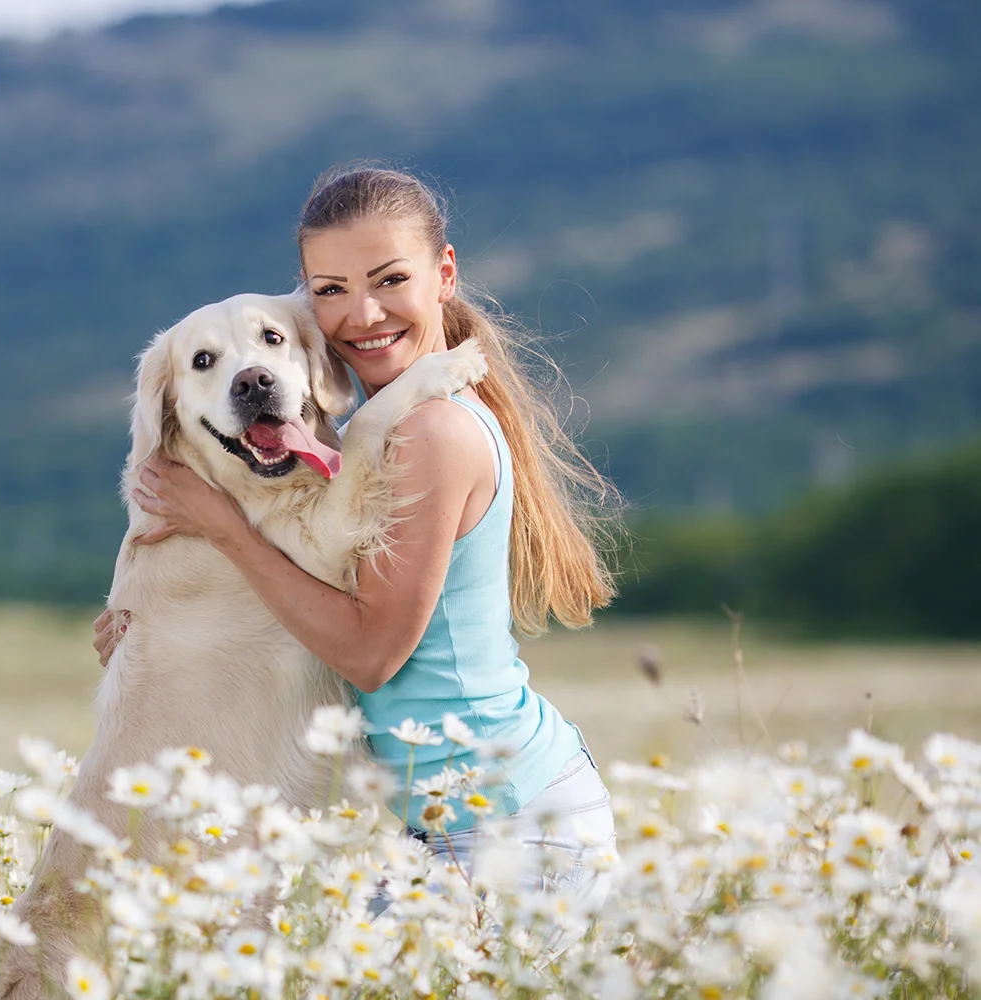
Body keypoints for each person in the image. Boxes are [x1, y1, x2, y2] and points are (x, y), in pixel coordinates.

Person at [92, 164, 620, 899]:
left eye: (389, 280)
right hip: (436, 830)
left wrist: (223, 531)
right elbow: (297, 588)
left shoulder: (432, 429)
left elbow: (369, 653)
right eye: (332, 291)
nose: (364, 314)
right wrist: (162, 631)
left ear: (444, 275)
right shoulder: (360, 438)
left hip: (511, 829)